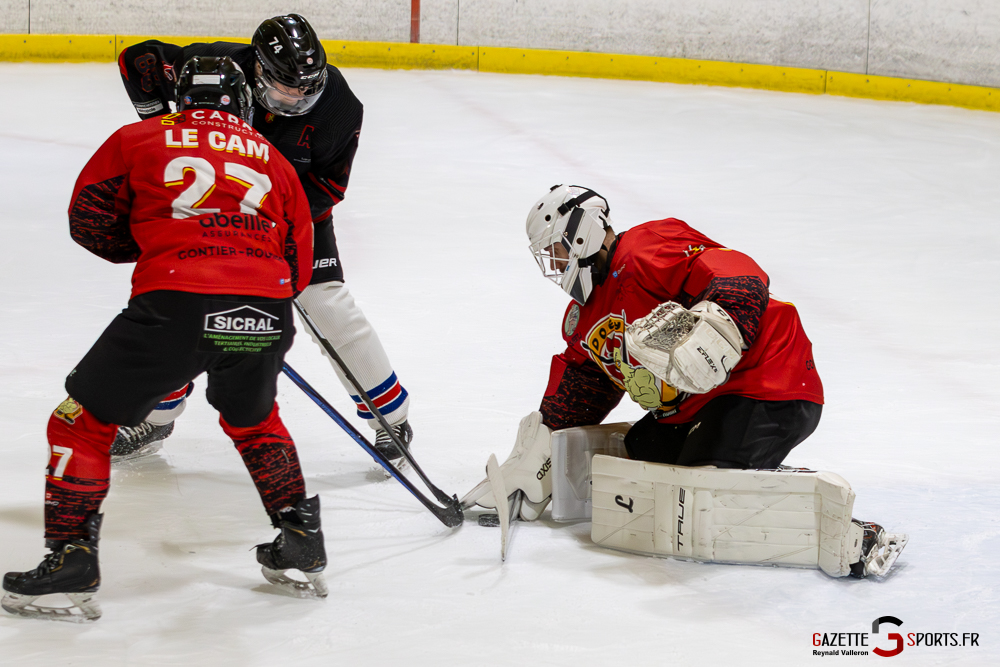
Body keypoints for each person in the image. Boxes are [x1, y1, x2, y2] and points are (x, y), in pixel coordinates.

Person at [2, 57, 326, 621]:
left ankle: (72, 557)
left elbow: (89, 220)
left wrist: (160, 243)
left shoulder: (139, 137)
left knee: (80, 421)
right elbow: (297, 265)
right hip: (265, 311)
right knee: (254, 420)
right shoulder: (274, 160)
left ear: (181, 98)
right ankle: (301, 538)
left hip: (176, 301)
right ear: (244, 102)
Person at [464, 185, 905, 577]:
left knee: (701, 495)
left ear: (582, 235)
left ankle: (848, 532)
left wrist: (722, 322)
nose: (554, 264)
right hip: (700, 407)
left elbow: (739, 272)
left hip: (768, 382)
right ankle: (749, 472)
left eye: (557, 250)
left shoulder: (647, 246)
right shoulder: (586, 316)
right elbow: (586, 383)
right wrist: (536, 451)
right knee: (642, 462)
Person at [113, 14, 411, 464]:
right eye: (286, 88)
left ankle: (391, 416)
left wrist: (273, 228)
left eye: (307, 87)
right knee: (185, 303)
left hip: (294, 220)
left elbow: (329, 187)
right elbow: (139, 60)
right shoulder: (214, 67)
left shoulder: (339, 107)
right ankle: (156, 415)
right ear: (257, 70)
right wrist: (160, 122)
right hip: (213, 213)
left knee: (328, 307)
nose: (298, 97)